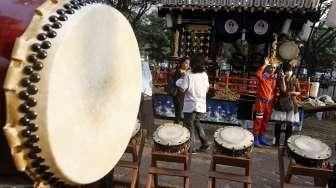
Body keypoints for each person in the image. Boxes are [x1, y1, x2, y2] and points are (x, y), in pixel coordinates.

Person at [176, 56, 210, 153]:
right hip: (201, 104)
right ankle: (205, 143)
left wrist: (178, 83)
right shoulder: (204, 75)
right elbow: (207, 89)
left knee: (189, 125)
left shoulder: (188, 74)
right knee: (197, 123)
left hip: (190, 104)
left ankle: (191, 148)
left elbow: (183, 89)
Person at [272, 62, 301, 146]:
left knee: (290, 124)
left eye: (290, 70)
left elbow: (299, 91)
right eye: (288, 70)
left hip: (292, 102)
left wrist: (294, 93)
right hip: (282, 102)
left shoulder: (295, 79)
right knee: (278, 123)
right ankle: (276, 142)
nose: (289, 72)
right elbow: (283, 90)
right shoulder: (280, 78)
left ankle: (287, 143)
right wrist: (283, 79)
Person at [253, 58, 277, 147]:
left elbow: (274, 91)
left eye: (274, 68)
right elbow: (258, 74)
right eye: (271, 67)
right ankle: (255, 139)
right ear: (267, 68)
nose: (273, 69)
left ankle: (261, 137)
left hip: (269, 104)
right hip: (261, 103)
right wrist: (265, 65)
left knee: (265, 121)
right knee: (259, 120)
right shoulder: (263, 77)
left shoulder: (273, 79)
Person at [138, 57, 154, 138]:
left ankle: (143, 134)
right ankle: (147, 134)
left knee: (142, 116)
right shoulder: (148, 76)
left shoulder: (140, 76)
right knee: (147, 117)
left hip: (143, 97)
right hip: (148, 97)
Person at [171, 57, 190, 124]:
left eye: (188, 63)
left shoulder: (188, 72)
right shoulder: (177, 71)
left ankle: (183, 126)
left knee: (184, 111)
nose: (188, 65)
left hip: (185, 94)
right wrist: (182, 76)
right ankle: (176, 126)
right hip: (178, 94)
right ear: (182, 63)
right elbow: (176, 83)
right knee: (178, 111)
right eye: (186, 63)